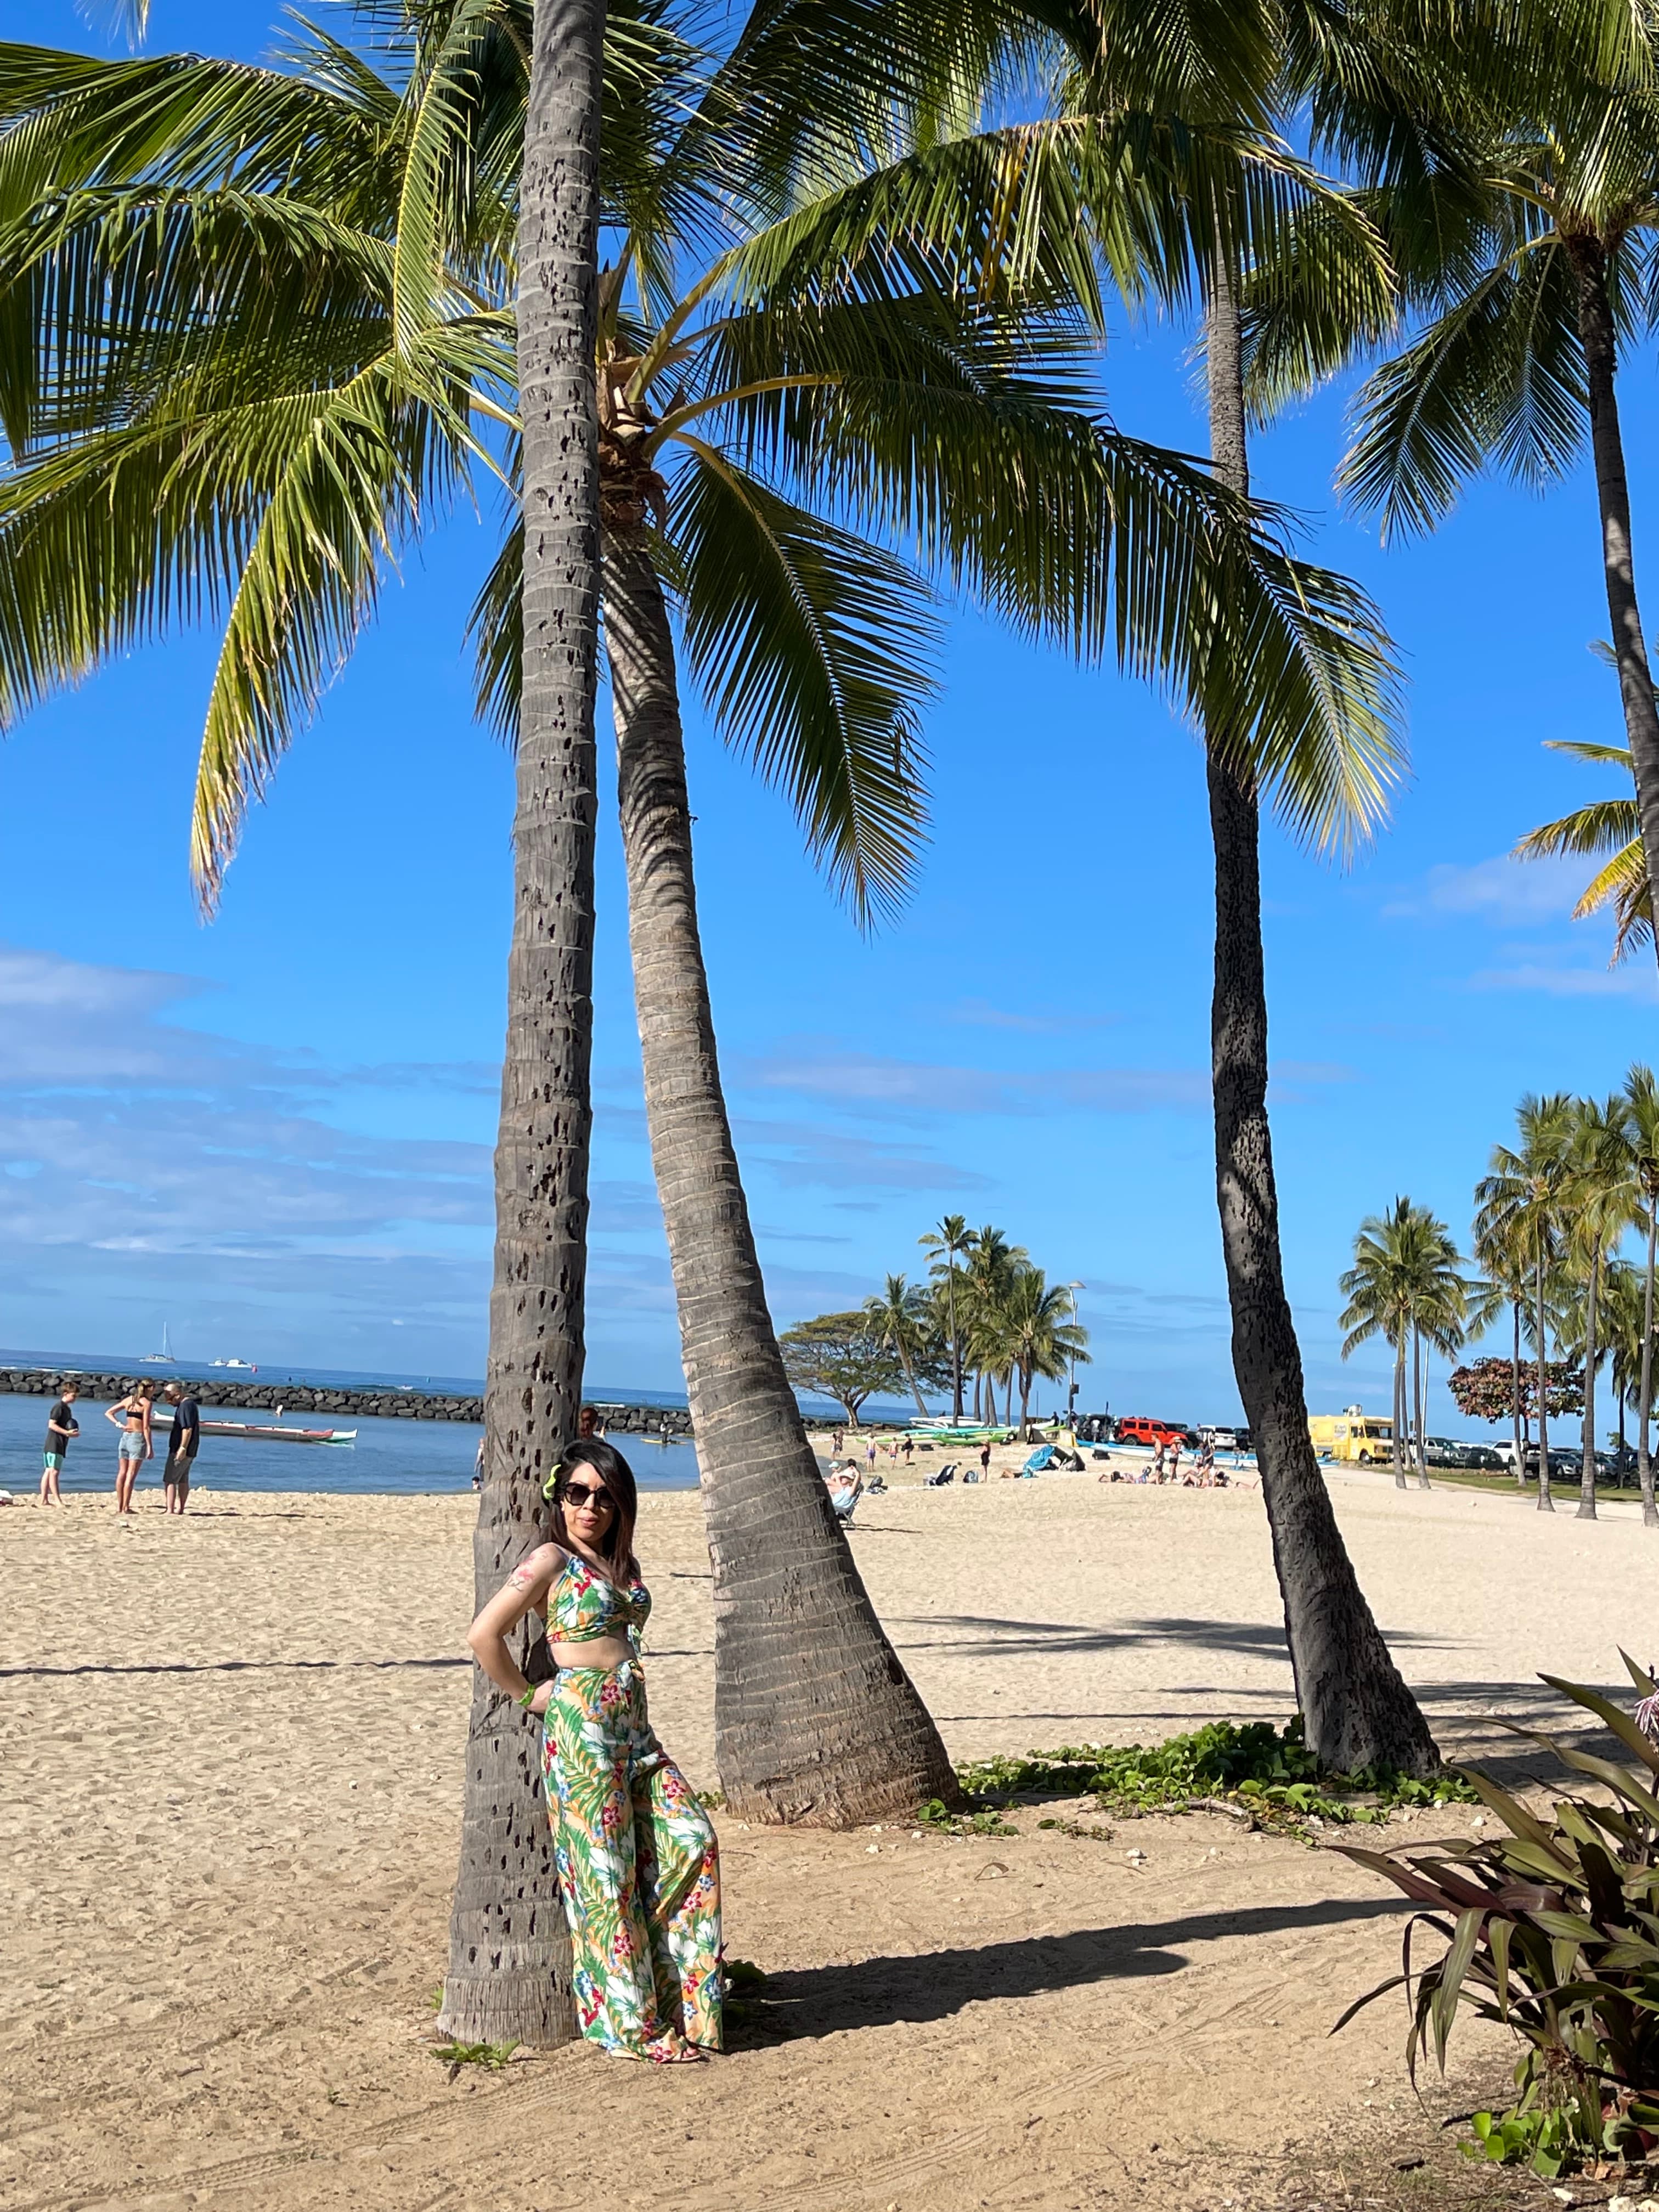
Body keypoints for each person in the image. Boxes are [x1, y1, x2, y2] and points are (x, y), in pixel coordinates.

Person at [466, 1437, 720, 2064]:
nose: (591, 1506)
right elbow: (484, 1634)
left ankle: (682, 2001)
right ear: (560, 1497)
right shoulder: (552, 1560)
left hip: (635, 1731)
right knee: (606, 1880)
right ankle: (632, 2029)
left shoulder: (618, 1565)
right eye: (578, 1493)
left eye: (605, 1496)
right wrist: (528, 1696)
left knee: (693, 1840)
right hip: (582, 1732)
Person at [106, 1380, 156, 1515]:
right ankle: (125, 1507)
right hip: (137, 1438)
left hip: (125, 1438)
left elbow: (109, 1412)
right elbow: (146, 1427)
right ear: (149, 1388)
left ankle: (120, 1506)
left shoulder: (130, 1400)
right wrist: (150, 1446)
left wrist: (119, 1425)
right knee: (131, 1475)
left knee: (122, 1473)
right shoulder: (147, 1404)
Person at [161, 1383, 200, 1513]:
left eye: (170, 1398)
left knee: (170, 1479)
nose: (168, 1402)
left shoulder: (185, 1406)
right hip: (191, 1448)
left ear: (177, 1395)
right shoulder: (190, 1405)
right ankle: (181, 1509)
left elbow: (187, 1429)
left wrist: (182, 1448)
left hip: (182, 1448)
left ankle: (170, 1509)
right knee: (183, 1479)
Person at [40, 1384, 78, 1505]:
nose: (75, 1398)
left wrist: (70, 1433)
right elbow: (52, 1424)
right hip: (54, 1443)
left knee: (49, 1471)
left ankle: (44, 1500)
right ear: (66, 1394)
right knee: (54, 1471)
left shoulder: (67, 1409)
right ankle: (57, 1500)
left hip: (59, 1443)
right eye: (73, 1395)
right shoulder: (59, 1407)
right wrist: (67, 1433)